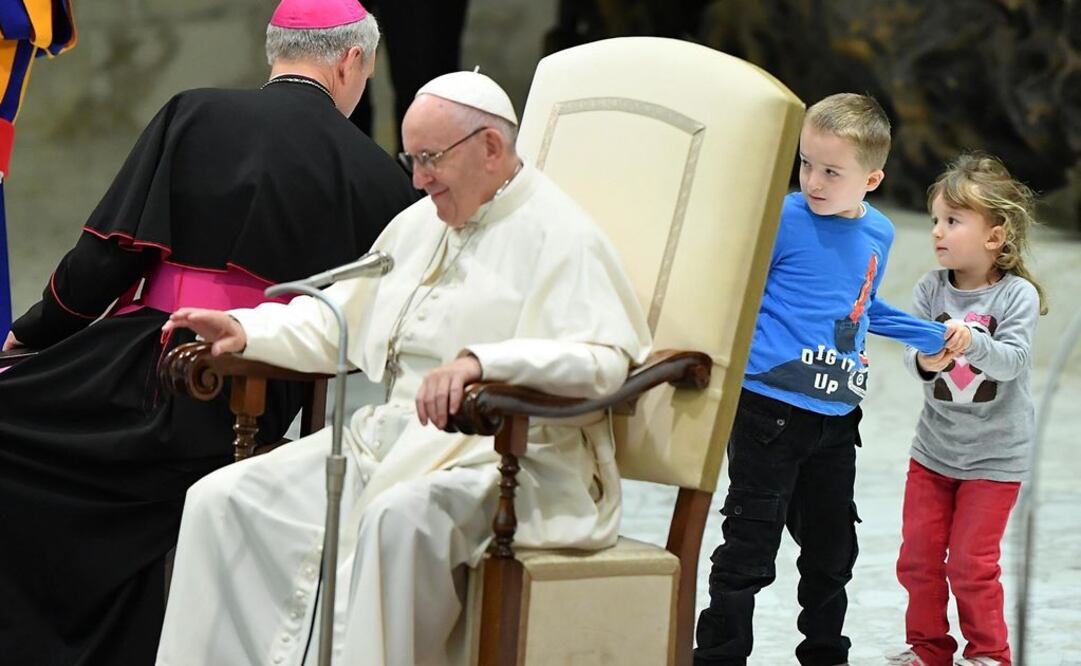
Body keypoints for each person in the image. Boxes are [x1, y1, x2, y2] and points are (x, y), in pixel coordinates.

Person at [154, 70, 652, 666]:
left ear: (490, 148)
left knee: (398, 520)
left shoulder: (564, 236)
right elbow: (340, 320)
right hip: (391, 440)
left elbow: (603, 363)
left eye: (429, 158)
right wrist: (246, 329)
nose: (417, 179)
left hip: (507, 456)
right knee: (221, 500)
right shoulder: (420, 224)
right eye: (410, 158)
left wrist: (482, 363)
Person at [0, 1, 418, 663]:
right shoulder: (377, 176)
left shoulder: (192, 112)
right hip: (253, 390)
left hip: (142, 363)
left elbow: (102, 262)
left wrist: (30, 338)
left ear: (273, 49)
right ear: (351, 61)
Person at [693, 93, 967, 666]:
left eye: (832, 171)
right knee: (748, 549)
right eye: (806, 164)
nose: (813, 181)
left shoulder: (881, 234)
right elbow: (733, 290)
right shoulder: (783, 218)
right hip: (768, 412)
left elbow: (859, 310)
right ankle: (719, 658)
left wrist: (932, 336)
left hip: (839, 420)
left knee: (832, 554)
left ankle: (825, 656)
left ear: (872, 178)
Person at [887, 154, 1047, 666]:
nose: (937, 232)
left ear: (995, 236)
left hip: (995, 460)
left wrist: (971, 341)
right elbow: (913, 359)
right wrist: (928, 360)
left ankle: (990, 655)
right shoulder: (930, 288)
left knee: (972, 565)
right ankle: (929, 650)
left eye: (952, 221)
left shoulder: (1015, 295)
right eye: (935, 219)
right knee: (917, 559)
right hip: (933, 453)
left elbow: (1013, 362)